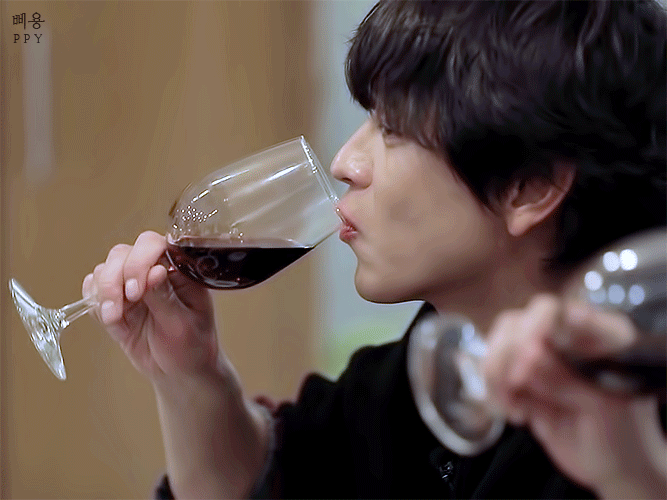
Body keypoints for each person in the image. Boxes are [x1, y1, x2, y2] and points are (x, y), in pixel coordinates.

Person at [84, 0, 666, 498]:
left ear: (529, 186)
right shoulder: (417, 379)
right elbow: (273, 480)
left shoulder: (635, 420)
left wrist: (632, 476)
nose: (345, 163)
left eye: (393, 128)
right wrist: (189, 375)